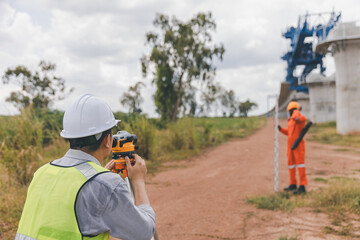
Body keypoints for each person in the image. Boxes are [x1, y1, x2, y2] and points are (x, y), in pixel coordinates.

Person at [15, 94, 155, 240]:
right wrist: (138, 181)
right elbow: (144, 234)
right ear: (108, 140)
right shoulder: (106, 184)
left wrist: (99, 176)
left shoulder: (41, 172)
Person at [278, 101, 308, 194]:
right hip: (290, 146)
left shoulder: (300, 118)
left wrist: (296, 110)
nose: (290, 113)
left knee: (300, 165)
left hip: (298, 146)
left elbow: (296, 117)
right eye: (290, 111)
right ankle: (293, 184)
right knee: (291, 165)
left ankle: (302, 186)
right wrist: (281, 129)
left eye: (291, 111)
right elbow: (289, 133)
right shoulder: (290, 121)